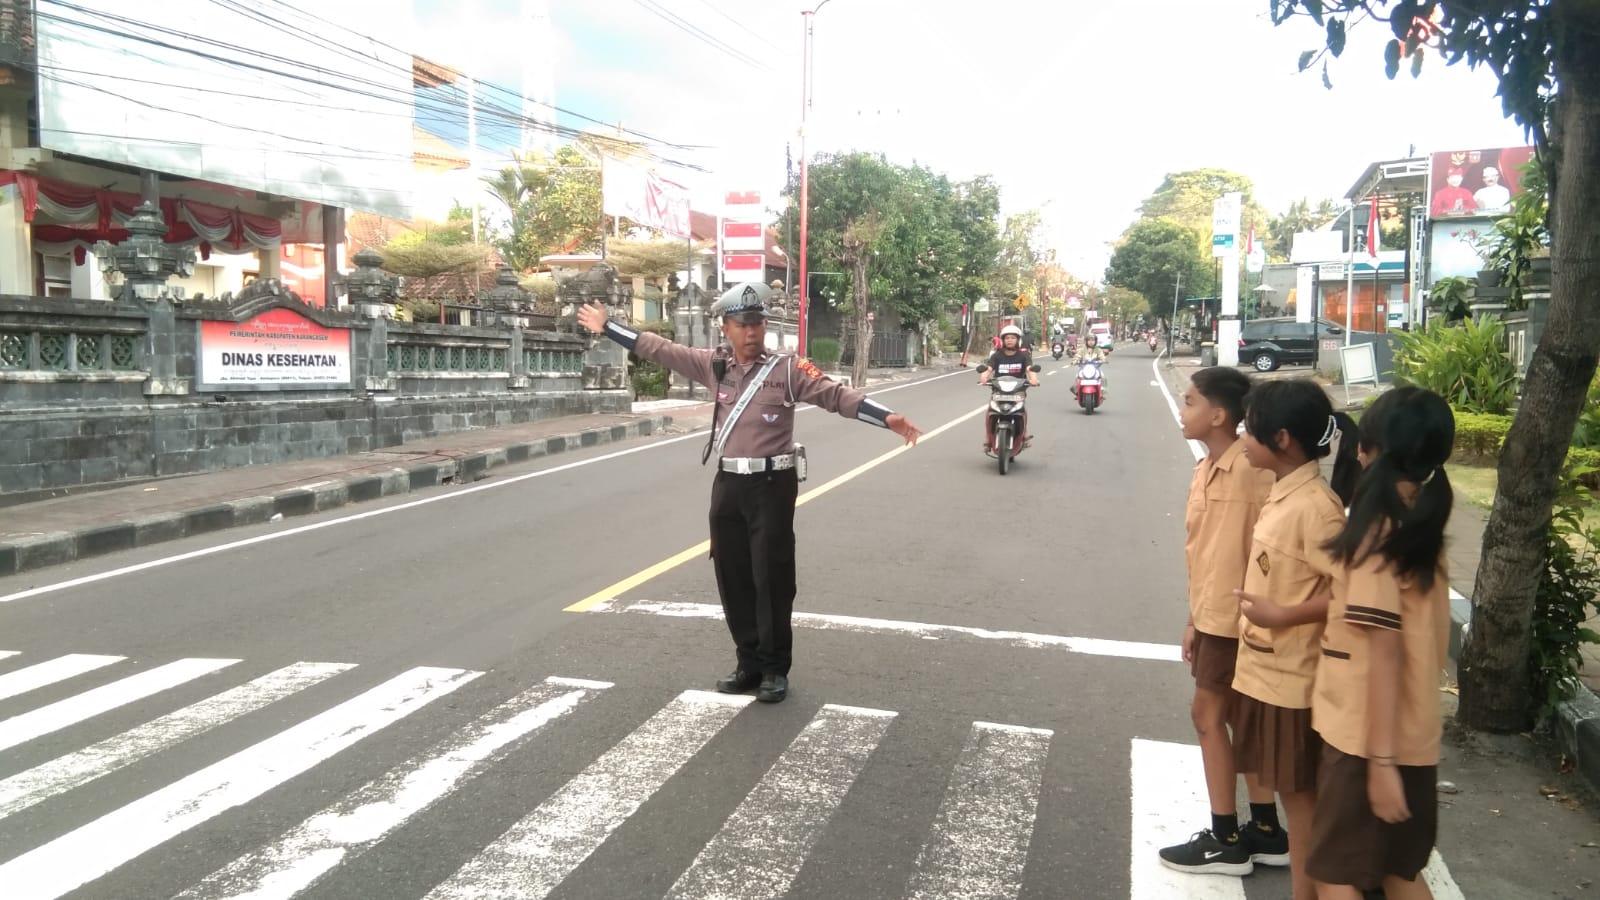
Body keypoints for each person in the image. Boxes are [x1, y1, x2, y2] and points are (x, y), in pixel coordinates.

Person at [576, 284, 922, 704]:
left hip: (771, 485)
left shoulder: (788, 369)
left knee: (771, 577)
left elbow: (835, 395)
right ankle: (749, 663)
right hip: (728, 485)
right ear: (726, 328)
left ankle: (774, 669)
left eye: (757, 323)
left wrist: (887, 417)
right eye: (742, 324)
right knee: (733, 575)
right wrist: (608, 326)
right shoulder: (714, 366)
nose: (752, 331)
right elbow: (659, 349)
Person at [1306, 387, 1455, 900]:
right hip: (1411, 730)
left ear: (1371, 453)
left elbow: (1384, 651)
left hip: (1367, 738)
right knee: (1396, 872)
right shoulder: (1421, 523)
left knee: (1334, 874)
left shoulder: (1378, 534)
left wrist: (1382, 764)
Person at [1228, 379, 1359, 900]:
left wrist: (1283, 614)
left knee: (1302, 806)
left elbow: (1348, 593)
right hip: (1267, 672)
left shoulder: (1317, 508)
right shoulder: (1286, 493)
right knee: (1292, 797)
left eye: (1249, 429)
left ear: (1281, 439)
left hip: (1292, 681)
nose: (1242, 438)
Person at [1158, 368, 1286, 878]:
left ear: (1218, 415)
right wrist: (1194, 619)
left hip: (1240, 621)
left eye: (1190, 401)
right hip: (1214, 617)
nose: (1182, 409)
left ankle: (1226, 837)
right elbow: (1204, 554)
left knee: (1208, 717)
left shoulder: (1252, 472)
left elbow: (1268, 552)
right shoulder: (1208, 467)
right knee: (1236, 719)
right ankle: (1265, 829)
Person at [979, 324, 1037, 450]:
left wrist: (1033, 379)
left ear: (1018, 340)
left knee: (1021, 411)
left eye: (1013, 338)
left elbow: (1029, 369)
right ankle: (988, 438)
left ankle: (1024, 434)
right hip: (999, 391)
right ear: (1003, 340)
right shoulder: (997, 355)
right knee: (990, 412)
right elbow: (989, 369)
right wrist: (984, 377)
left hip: (1017, 391)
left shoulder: (1024, 355)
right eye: (1007, 338)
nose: (1009, 340)